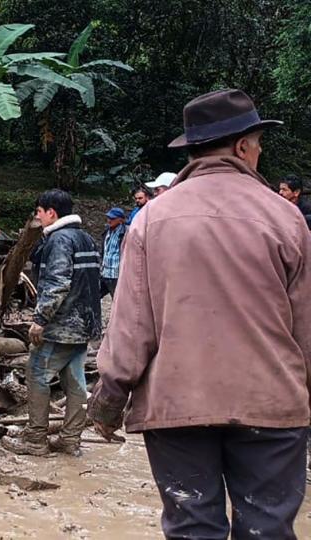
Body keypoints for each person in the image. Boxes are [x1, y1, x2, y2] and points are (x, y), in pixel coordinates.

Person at [89, 89, 311, 539]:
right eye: (259, 144)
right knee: (267, 528)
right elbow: (306, 327)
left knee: (192, 528)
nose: (260, 153)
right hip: (271, 406)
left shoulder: (151, 219)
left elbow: (132, 326)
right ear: (242, 145)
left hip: (178, 407)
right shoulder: (286, 219)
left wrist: (110, 398)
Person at [2, 189, 101, 457]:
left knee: (36, 373)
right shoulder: (87, 239)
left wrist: (40, 320)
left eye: (39, 212)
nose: (37, 217)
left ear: (51, 213)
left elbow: (58, 284)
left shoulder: (59, 240)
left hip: (61, 326)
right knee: (75, 382)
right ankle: (70, 438)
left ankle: (35, 438)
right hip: (85, 324)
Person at [100, 207, 127, 299]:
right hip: (104, 271)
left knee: (118, 300)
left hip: (116, 273)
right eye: (108, 218)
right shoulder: (106, 231)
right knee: (93, 296)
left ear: (120, 220)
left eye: (112, 218)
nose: (109, 220)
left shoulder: (126, 233)